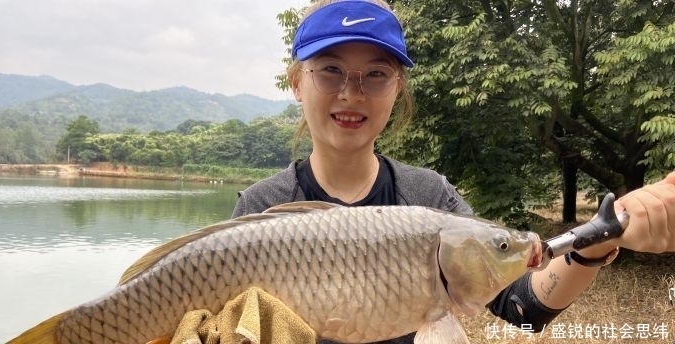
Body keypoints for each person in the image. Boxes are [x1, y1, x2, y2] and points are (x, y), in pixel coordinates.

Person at [232, 0, 675, 343]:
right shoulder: (261, 207)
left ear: (398, 88)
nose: (353, 93)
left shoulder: (427, 195)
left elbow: (521, 308)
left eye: (377, 74)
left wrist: (599, 238)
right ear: (297, 82)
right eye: (330, 71)